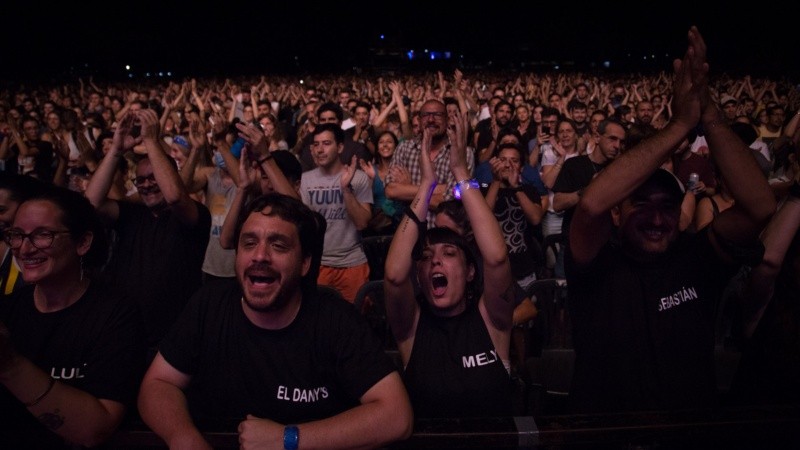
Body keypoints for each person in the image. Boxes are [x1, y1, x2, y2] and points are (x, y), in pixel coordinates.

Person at [565, 26, 776, 414]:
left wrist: (708, 112)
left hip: (688, 434)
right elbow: (591, 205)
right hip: (605, 434)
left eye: (667, 206)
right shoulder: (595, 264)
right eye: (641, 205)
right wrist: (679, 126)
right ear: (618, 211)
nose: (657, 218)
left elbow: (761, 206)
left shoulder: (697, 260)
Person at [137, 192, 413, 450]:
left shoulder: (334, 320)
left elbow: (396, 416)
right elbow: (157, 385)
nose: (260, 255)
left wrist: (288, 438)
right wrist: (184, 439)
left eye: (278, 245)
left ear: (305, 263)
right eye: (249, 243)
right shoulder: (209, 305)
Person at [384, 111, 517, 418]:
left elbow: (496, 257)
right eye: (427, 257)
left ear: (471, 271)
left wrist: (460, 172)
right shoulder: (411, 326)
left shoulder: (492, 319)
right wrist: (426, 185)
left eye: (449, 253)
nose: (436, 261)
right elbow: (393, 276)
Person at [0, 186, 146, 448]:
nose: (24, 248)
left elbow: (95, 430)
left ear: (82, 243)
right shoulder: (9, 310)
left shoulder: (115, 315)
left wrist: (9, 364)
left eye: (43, 235)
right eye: (17, 235)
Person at [85, 109, 211, 352]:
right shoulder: (132, 213)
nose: (146, 185)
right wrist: (116, 150)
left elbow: (174, 196)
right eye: (140, 180)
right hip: (125, 330)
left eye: (154, 177)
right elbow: (90, 205)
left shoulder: (192, 214)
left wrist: (152, 141)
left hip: (173, 334)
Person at [300, 123, 372, 303]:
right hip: (319, 262)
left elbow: (362, 223)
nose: (320, 149)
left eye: (326, 143)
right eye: (316, 145)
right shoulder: (306, 180)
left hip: (352, 262)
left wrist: (346, 189)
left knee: (354, 320)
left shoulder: (359, 177)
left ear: (339, 147)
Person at [385, 99, 476, 224]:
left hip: (443, 236)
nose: (431, 119)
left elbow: (451, 202)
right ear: (420, 120)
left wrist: (407, 189)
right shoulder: (405, 148)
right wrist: (439, 189)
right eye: (426, 115)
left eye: (437, 115)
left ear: (447, 119)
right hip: (408, 231)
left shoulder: (463, 153)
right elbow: (391, 190)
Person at [551, 118, 627, 238]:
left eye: (621, 142)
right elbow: (558, 204)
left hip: (607, 242)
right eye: (612, 139)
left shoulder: (620, 170)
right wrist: (587, 191)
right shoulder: (574, 165)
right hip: (575, 241)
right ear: (597, 137)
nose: (617, 146)